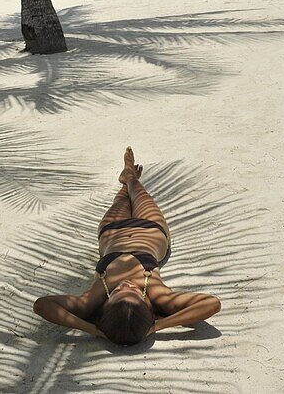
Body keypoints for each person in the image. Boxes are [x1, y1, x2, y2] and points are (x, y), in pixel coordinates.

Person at [33, 148, 222, 345]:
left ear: (106, 305)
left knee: (122, 197)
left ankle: (127, 176)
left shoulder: (92, 298)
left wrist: (92, 329)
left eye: (117, 292)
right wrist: (159, 326)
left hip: (112, 229)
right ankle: (130, 177)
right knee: (137, 189)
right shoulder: (159, 294)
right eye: (132, 292)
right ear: (146, 305)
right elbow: (212, 304)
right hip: (150, 226)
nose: (125, 285)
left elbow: (41, 305)